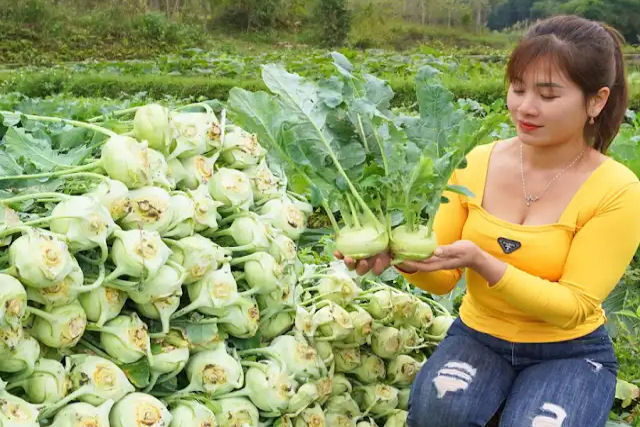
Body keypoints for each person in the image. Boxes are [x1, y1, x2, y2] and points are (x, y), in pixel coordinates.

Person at [335, 15, 640, 427]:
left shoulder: (618, 189)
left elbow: (573, 307)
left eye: (548, 95)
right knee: (441, 412)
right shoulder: (475, 163)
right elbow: (442, 276)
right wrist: (401, 260)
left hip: (568, 347)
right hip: (479, 336)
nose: (525, 107)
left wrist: (484, 261)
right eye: (518, 89)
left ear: (596, 101)